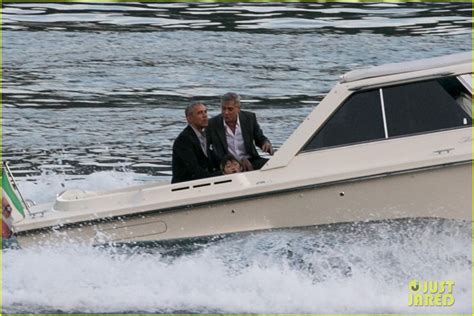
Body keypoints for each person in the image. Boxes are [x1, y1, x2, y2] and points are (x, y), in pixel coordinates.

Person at [207, 92, 273, 171]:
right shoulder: (212, 124)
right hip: (227, 164)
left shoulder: (249, 118)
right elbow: (205, 148)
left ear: (238, 108)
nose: (226, 112)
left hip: (250, 160)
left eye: (230, 109)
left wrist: (265, 143)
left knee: (273, 166)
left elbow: (259, 138)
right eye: (223, 108)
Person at [171, 102, 221, 183]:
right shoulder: (184, 140)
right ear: (189, 118)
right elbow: (195, 171)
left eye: (205, 112)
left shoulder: (205, 136)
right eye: (200, 113)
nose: (205, 116)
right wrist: (222, 174)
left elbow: (213, 160)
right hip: (185, 186)